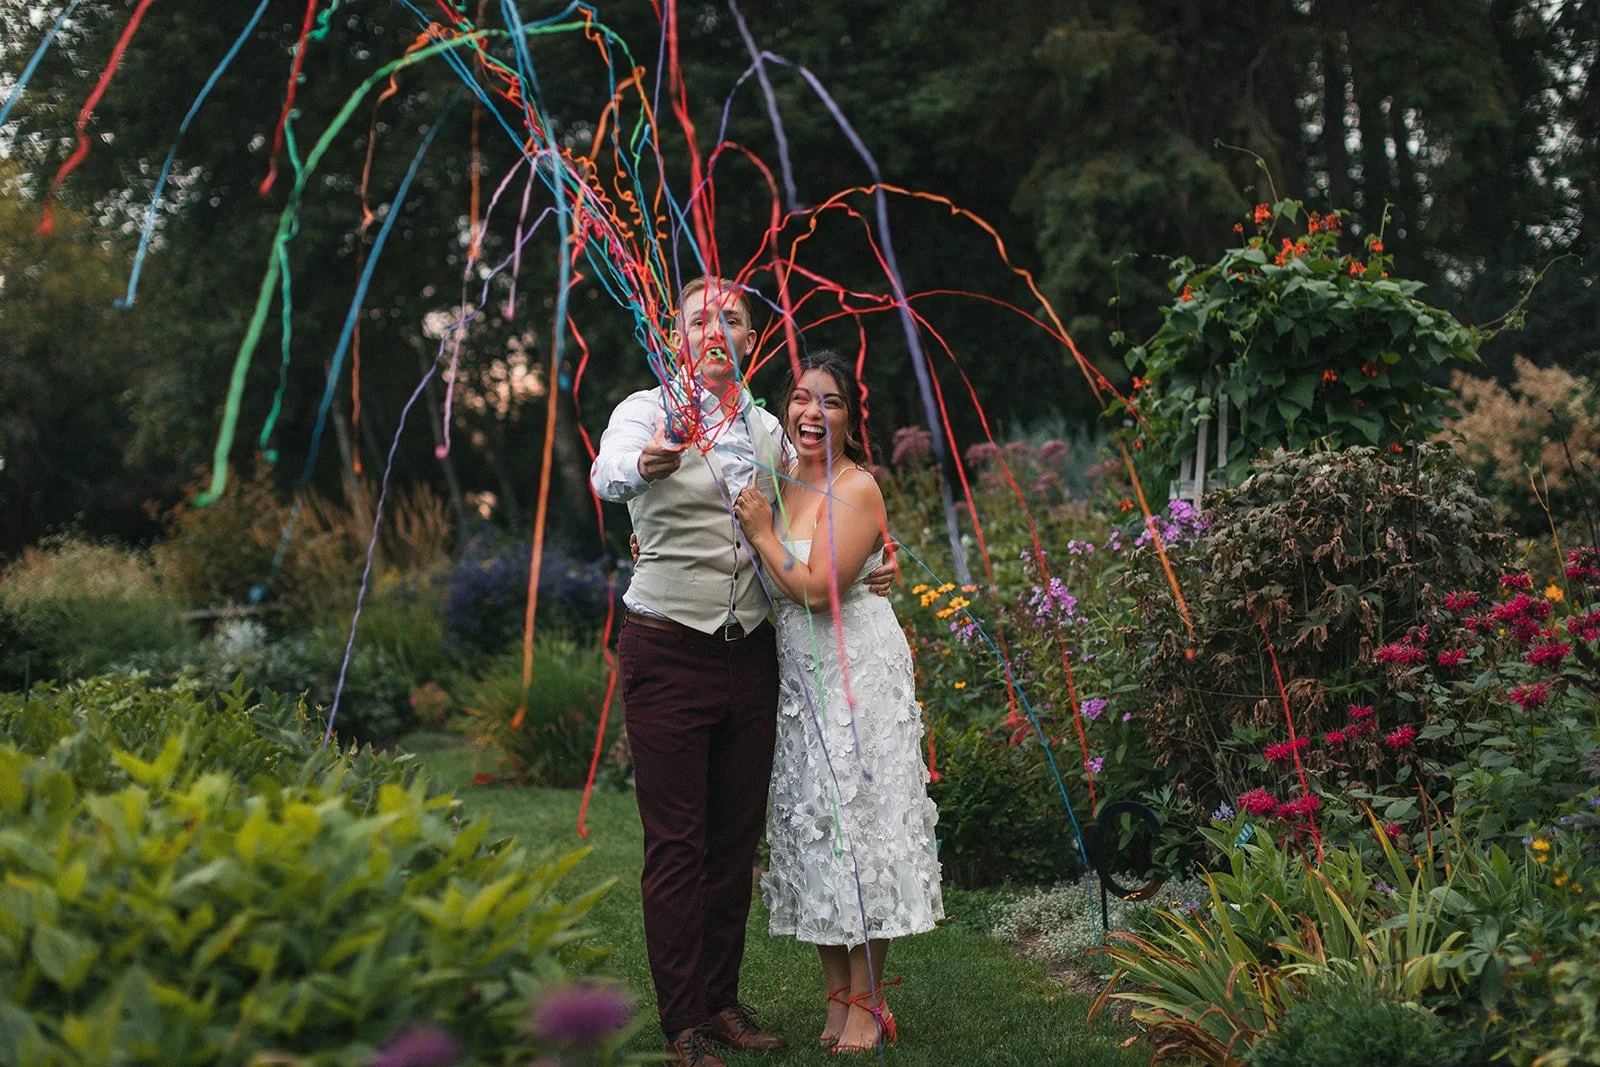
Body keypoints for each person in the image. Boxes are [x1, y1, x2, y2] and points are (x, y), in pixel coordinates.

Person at [589, 278, 895, 1067]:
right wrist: (646, 466)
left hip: (753, 653)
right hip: (667, 644)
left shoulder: (770, 430)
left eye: (731, 317)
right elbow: (608, 471)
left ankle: (721, 1001)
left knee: (733, 840)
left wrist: (873, 561)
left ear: (752, 341)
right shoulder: (644, 413)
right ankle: (682, 1021)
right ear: (675, 336)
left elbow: (825, 498)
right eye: (699, 318)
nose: (715, 328)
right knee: (677, 843)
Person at [732, 350, 944, 1054]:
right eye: (799, 397)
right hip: (796, 682)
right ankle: (837, 996)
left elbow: (819, 586)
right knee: (814, 831)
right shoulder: (778, 479)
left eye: (829, 400)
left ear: (852, 418)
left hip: (856, 677)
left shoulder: (857, 488)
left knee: (862, 831)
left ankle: (871, 999)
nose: (809, 413)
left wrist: (763, 532)